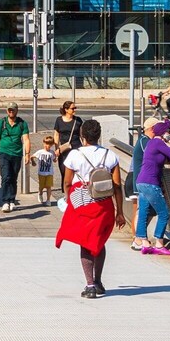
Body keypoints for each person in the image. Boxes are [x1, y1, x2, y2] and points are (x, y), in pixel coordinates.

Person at [56, 120, 125, 299]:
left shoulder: (74, 155)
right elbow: (117, 186)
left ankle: (90, 285)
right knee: (99, 242)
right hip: (104, 205)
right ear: (99, 135)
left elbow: (67, 182)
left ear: (82, 136)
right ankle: (99, 280)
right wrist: (120, 212)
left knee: (85, 243)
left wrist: (68, 197)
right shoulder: (110, 156)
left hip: (83, 204)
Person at [134, 120, 170, 255]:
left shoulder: (152, 143)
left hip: (141, 181)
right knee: (164, 214)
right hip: (151, 183)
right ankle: (159, 243)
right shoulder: (158, 142)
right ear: (165, 133)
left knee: (143, 213)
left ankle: (144, 243)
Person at [0, 101, 31, 211]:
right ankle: (5, 201)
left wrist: (27, 154)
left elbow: (26, 139)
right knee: (6, 176)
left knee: (13, 177)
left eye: (13, 110)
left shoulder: (22, 124)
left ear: (16, 111)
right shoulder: (2, 123)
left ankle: (12, 200)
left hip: (17, 154)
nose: (11, 111)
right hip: (4, 153)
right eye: (9, 110)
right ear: (7, 111)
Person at [51, 101, 84, 184]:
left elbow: (82, 135)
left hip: (76, 149)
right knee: (63, 171)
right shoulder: (59, 120)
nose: (74, 110)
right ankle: (66, 193)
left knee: (76, 171)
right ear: (66, 109)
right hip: (64, 150)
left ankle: (74, 190)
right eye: (72, 108)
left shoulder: (78, 120)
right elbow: (56, 135)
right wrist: (57, 149)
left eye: (75, 108)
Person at [31, 135, 58, 206]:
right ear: (43, 143)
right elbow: (32, 156)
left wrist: (56, 157)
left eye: (49, 144)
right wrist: (33, 162)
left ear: (51, 145)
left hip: (49, 172)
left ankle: (48, 200)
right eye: (46, 144)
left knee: (49, 186)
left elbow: (54, 160)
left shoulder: (52, 153)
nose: (47, 146)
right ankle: (40, 193)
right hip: (41, 172)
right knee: (41, 186)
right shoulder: (40, 152)